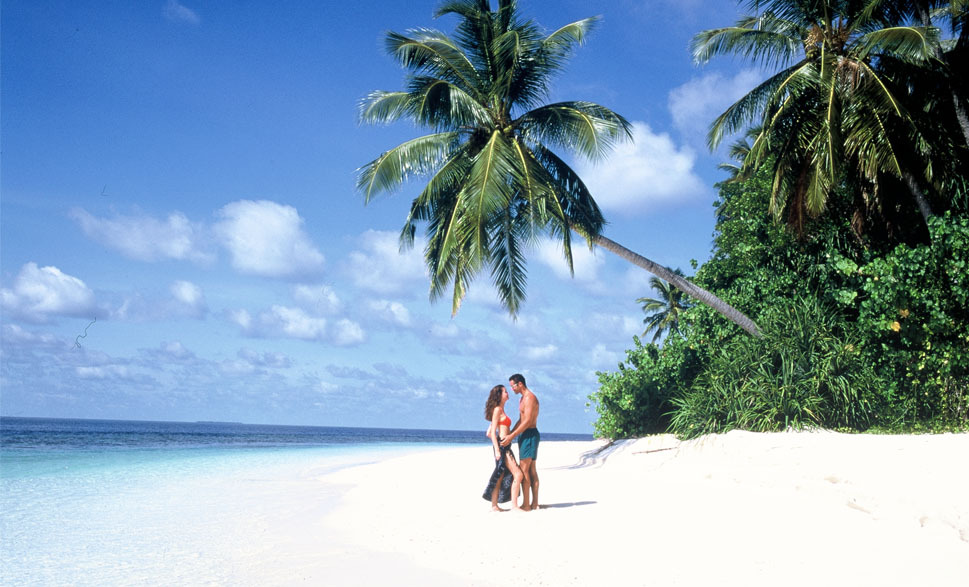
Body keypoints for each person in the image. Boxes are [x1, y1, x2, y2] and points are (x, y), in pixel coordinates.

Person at [501, 373, 540, 510]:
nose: (512, 389)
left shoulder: (530, 398)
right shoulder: (522, 398)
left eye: (513, 386)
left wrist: (512, 436)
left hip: (529, 434)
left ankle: (527, 504)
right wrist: (510, 434)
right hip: (525, 434)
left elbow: (528, 421)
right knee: (531, 470)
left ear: (520, 384)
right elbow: (521, 419)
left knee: (525, 470)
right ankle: (534, 504)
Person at [482, 384, 524, 511]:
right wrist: (497, 449)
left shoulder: (500, 409)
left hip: (504, 446)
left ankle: (494, 506)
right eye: (505, 391)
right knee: (518, 474)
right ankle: (514, 506)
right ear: (499, 395)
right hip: (502, 448)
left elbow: (488, 432)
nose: (507, 393)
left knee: (500, 476)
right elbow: (492, 432)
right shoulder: (497, 410)